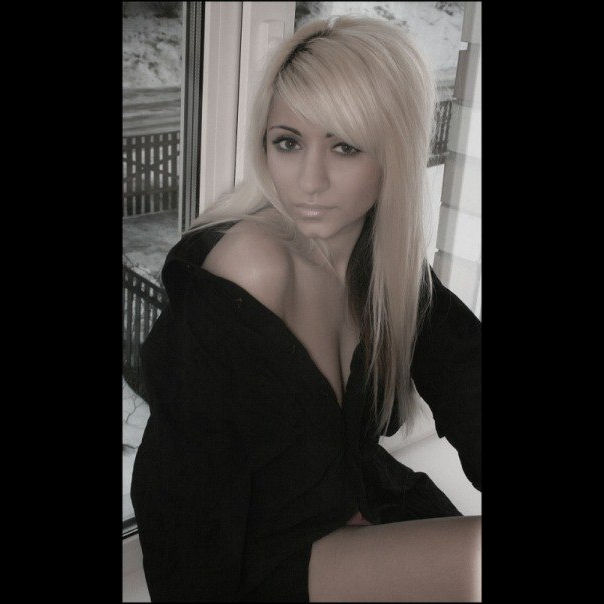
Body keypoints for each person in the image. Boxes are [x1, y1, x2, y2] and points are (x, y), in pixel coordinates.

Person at [131, 14, 481, 602]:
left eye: (344, 147)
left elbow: (470, 383)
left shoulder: (387, 268)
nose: (310, 181)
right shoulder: (253, 266)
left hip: (362, 511)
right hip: (257, 562)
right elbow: (181, 494)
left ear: (393, 153)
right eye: (288, 142)